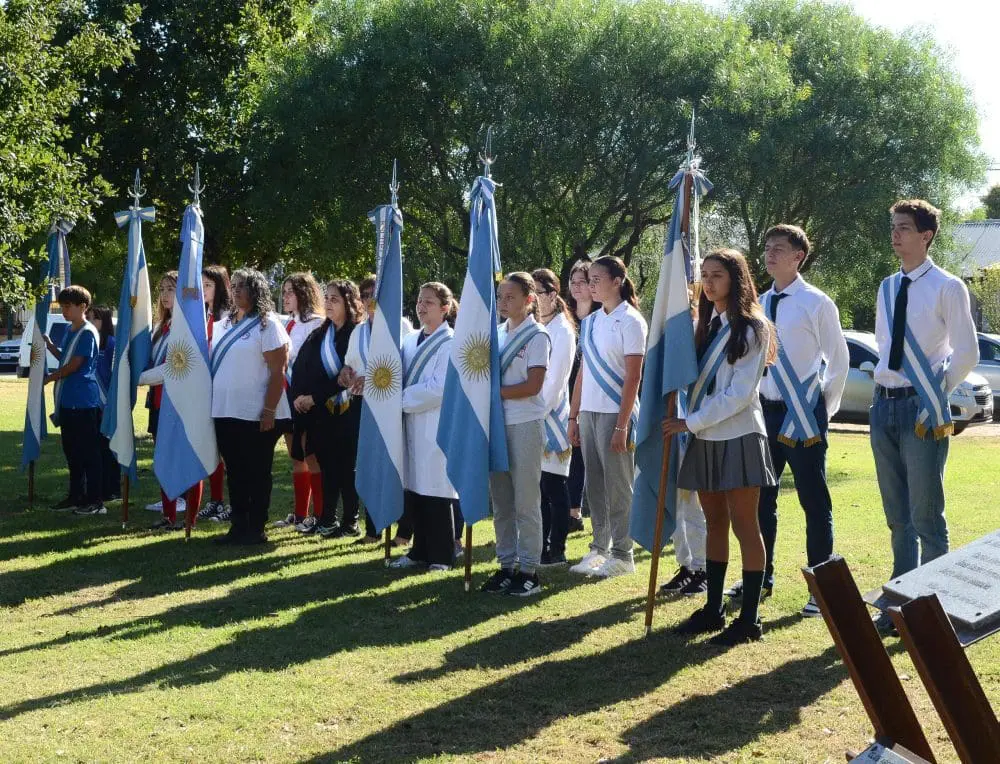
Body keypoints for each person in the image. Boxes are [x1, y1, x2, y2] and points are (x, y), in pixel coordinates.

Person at [870, 200, 978, 632]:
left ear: (926, 235)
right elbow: (884, 348)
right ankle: (899, 604)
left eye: (904, 228)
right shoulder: (886, 287)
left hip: (922, 408)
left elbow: (967, 352)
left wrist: (937, 393)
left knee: (926, 517)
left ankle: (932, 612)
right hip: (883, 405)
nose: (896, 235)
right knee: (897, 515)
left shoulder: (948, 286)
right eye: (893, 227)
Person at [663, 248, 777, 646]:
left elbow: (740, 394)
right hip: (705, 437)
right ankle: (713, 608)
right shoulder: (705, 326)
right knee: (714, 524)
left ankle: (749, 618)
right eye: (705, 276)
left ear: (736, 279)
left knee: (747, 525)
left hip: (739, 436)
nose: (709, 283)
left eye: (717, 276)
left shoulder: (753, 328)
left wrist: (689, 421)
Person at [740, 224, 849, 617]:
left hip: (803, 414)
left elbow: (839, 361)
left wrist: (822, 412)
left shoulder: (816, 302)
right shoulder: (758, 303)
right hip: (764, 412)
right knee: (761, 499)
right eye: (767, 247)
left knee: (813, 501)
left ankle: (822, 588)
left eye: (779, 248)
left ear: (798, 256)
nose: (770, 254)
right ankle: (760, 576)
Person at [567, 255, 645, 579]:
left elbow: (633, 377)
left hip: (616, 411)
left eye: (597, 279)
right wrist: (573, 416)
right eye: (589, 279)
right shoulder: (591, 321)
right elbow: (584, 372)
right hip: (589, 411)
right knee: (594, 485)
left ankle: (623, 554)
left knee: (618, 485)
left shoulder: (631, 320)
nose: (591, 284)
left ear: (617, 281)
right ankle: (599, 547)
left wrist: (622, 424)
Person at [480, 272, 550, 596]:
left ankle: (529, 570)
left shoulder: (537, 336)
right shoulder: (495, 334)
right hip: (498, 424)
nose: (503, 302)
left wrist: (495, 394)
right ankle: (506, 565)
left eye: (510, 297)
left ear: (529, 300)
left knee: (525, 500)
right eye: (500, 296)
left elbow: (533, 386)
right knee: (502, 501)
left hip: (525, 424)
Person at [211, 268, 291, 545]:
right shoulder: (223, 324)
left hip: (256, 413)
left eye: (242, 286)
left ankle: (257, 527)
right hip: (224, 410)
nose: (236, 291)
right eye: (233, 286)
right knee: (234, 471)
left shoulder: (268, 325)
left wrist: (269, 411)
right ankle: (238, 524)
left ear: (256, 290)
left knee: (257, 472)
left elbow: (278, 371)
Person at [339, 274, 416, 543]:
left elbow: (405, 368)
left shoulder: (401, 325)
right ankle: (373, 529)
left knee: (397, 465)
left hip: (392, 406)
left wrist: (370, 379)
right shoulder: (359, 330)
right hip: (362, 405)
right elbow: (350, 363)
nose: (371, 301)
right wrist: (346, 374)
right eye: (366, 296)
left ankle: (405, 530)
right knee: (368, 464)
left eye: (375, 295)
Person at [389, 282, 458, 572]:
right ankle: (419, 551)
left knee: (437, 492)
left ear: (445, 308)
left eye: (429, 302)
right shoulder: (409, 340)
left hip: (436, 425)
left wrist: (398, 400)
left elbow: (439, 388)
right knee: (415, 490)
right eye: (419, 301)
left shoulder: (451, 342)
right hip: (410, 426)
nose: (421, 306)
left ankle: (442, 555)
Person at [292, 279, 364, 539]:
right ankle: (327, 518)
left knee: (346, 468)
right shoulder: (320, 333)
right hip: (318, 414)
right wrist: (299, 395)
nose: (329, 304)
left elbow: (346, 376)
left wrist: (314, 396)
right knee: (327, 467)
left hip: (345, 409)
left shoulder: (356, 333)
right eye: (327, 299)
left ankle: (350, 521)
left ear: (349, 303)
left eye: (335, 299)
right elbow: (301, 365)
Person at [139, 271, 205, 530]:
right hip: (158, 402)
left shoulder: (188, 328)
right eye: (163, 289)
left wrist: (140, 378)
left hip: (183, 403)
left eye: (171, 289)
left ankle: (190, 518)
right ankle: (169, 516)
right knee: (164, 458)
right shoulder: (160, 327)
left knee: (188, 459)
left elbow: (173, 368)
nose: (166, 295)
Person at [45, 286, 106, 516]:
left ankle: (95, 500)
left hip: (84, 402)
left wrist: (50, 377)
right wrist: (51, 347)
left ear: (83, 307)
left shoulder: (87, 332)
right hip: (69, 401)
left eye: (68, 307)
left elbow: (75, 364)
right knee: (72, 452)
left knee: (89, 453)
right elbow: (66, 359)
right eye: (62, 307)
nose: (64, 311)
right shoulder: (71, 331)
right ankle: (76, 495)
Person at [532, 268, 576, 567]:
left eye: (537, 292)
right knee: (537, 487)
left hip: (554, 414)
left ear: (551, 295)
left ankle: (557, 548)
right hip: (532, 410)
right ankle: (540, 544)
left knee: (554, 485)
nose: (533, 299)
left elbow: (557, 378)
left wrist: (535, 409)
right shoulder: (533, 326)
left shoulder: (563, 329)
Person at [274, 273, 325, 530]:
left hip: (308, 400)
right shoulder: (288, 324)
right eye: (284, 293)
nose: (285, 297)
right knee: (296, 457)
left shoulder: (318, 324)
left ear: (304, 294)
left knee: (312, 456)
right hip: (288, 398)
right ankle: (299, 512)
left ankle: (318, 514)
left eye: (290, 292)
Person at [564, 260, 601, 532]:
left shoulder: (601, 318)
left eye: (583, 282)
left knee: (580, 454)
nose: (577, 287)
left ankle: (574, 512)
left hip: (590, 393)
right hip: (561, 390)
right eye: (573, 282)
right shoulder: (564, 318)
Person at [195, 265, 232, 523]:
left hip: (224, 389)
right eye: (201, 284)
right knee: (211, 449)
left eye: (208, 285)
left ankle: (231, 502)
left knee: (228, 450)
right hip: (205, 389)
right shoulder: (202, 313)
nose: (203, 289)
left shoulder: (228, 316)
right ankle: (216, 500)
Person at [86, 304, 120, 502]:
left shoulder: (112, 344)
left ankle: (113, 488)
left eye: (95, 318)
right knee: (95, 448)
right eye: (88, 317)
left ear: (105, 321)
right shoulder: (89, 341)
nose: (91, 321)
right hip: (90, 403)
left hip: (107, 402)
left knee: (108, 447)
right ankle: (98, 487)